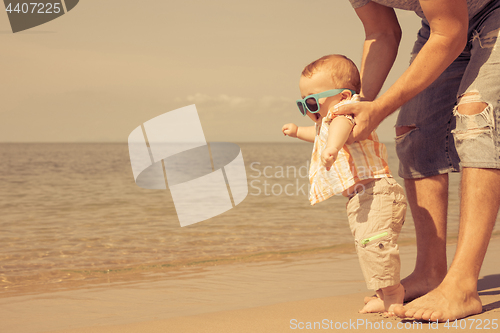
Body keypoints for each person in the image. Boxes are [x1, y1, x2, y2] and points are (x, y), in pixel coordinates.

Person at [334, 0, 500, 321]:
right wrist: (362, 107)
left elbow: (450, 33)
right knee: (413, 129)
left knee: (477, 118)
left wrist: (380, 107)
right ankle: (430, 272)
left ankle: (463, 285)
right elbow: (382, 32)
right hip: (440, 24)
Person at [282, 54, 407, 315]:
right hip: (362, 196)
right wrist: (297, 131)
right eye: (303, 104)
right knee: (368, 246)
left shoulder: (345, 114)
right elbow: (316, 135)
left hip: (377, 191)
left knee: (376, 243)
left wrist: (333, 147)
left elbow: (340, 127)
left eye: (313, 100)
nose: (309, 108)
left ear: (342, 97)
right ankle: (383, 294)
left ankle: (394, 294)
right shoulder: (324, 126)